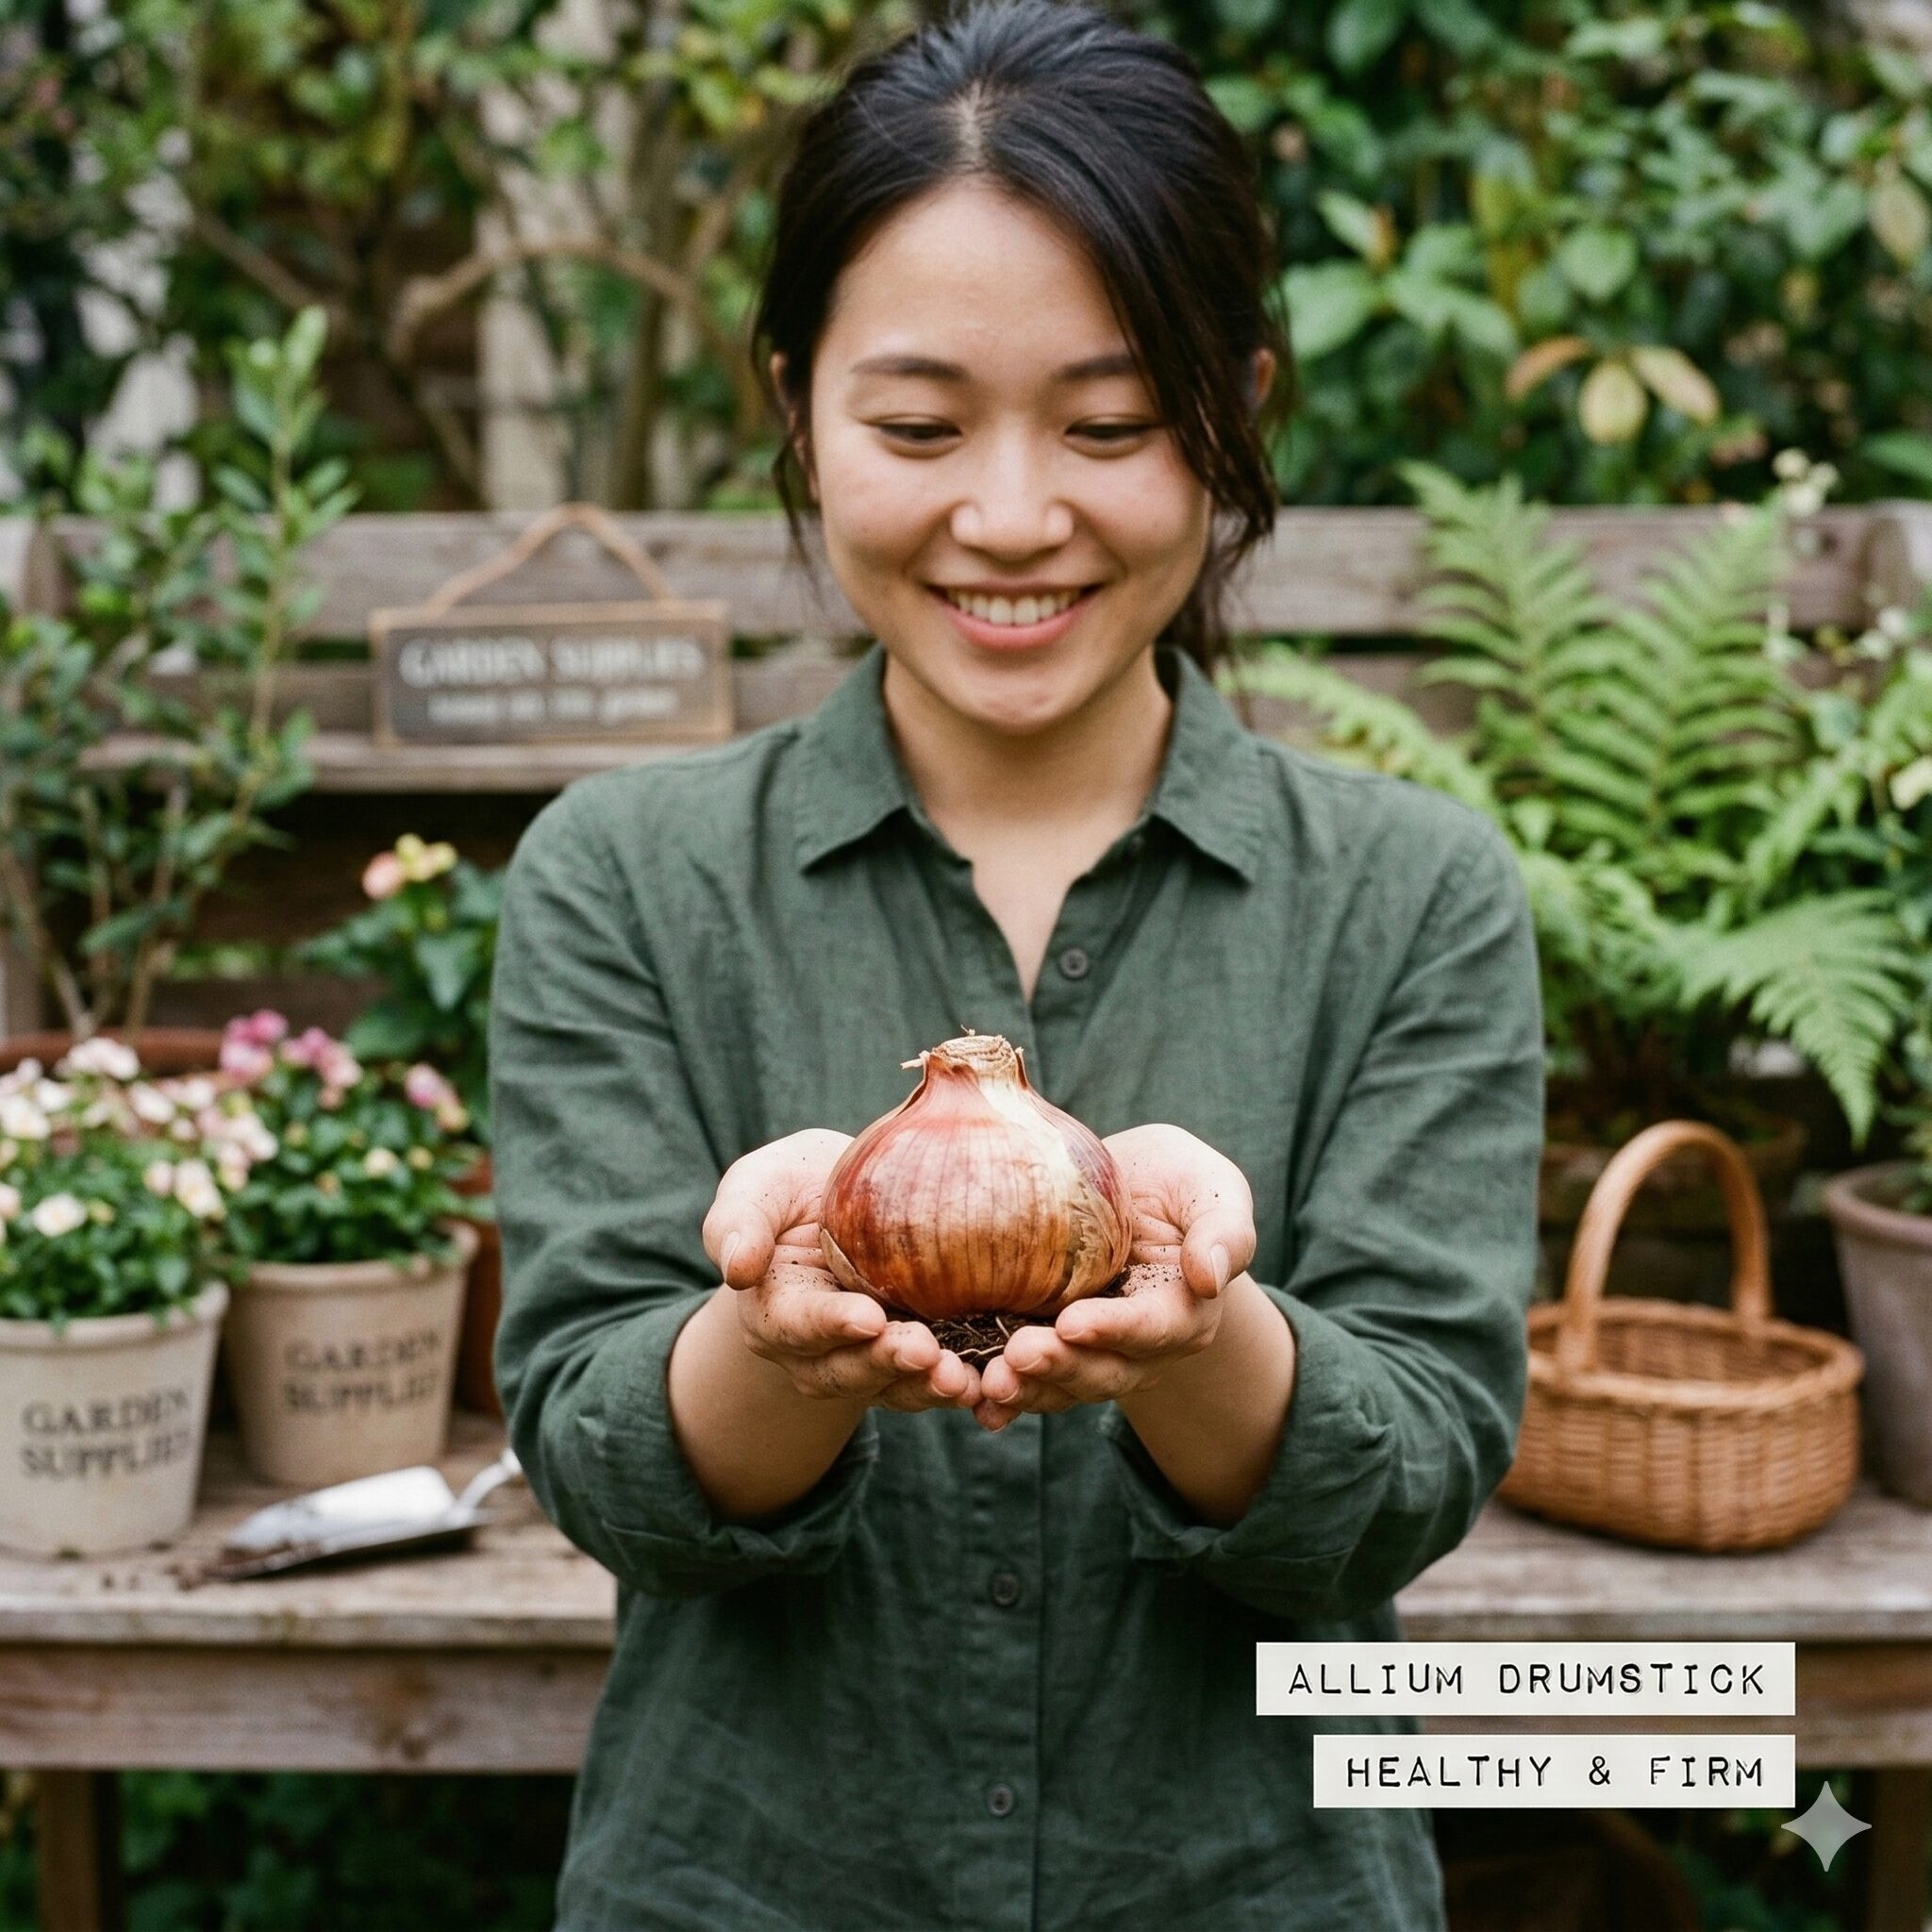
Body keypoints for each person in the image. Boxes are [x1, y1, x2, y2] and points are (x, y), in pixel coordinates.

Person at [490, 2, 1544, 1925]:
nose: (1006, 514)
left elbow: (1409, 1467)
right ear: (796, 402)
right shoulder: (620, 880)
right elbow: (595, 1446)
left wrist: (1201, 1333)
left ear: (1232, 408)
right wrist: (778, 1335)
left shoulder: (1412, 895)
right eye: (914, 425)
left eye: (1110, 423)